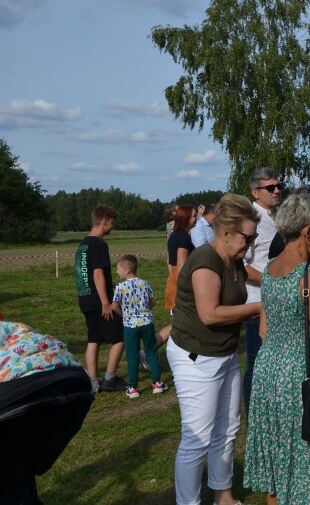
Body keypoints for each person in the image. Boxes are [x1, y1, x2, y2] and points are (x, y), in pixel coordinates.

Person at [243, 193, 310, 504]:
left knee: (277, 449)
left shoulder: (271, 268)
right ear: (307, 231)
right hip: (299, 374)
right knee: (303, 445)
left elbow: (263, 329)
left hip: (268, 371)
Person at [166, 193, 260, 505]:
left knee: (228, 429)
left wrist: (285, 280)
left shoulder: (234, 261)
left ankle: (224, 496)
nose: (252, 242)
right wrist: (262, 307)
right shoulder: (205, 259)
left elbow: (258, 279)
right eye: (248, 236)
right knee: (197, 438)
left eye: (254, 236)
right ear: (225, 232)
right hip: (197, 358)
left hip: (226, 354)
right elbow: (210, 313)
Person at [74, 205, 126, 394]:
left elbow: (86, 274)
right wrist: (106, 302)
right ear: (104, 222)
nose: (112, 227)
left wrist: (112, 285)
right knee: (120, 336)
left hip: (85, 299)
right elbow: (97, 274)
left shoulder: (83, 245)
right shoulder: (100, 244)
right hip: (98, 301)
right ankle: (110, 379)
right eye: (112, 223)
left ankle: (93, 381)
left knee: (94, 339)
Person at [243, 167, 283, 413]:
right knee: (257, 363)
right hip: (258, 302)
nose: (277, 190)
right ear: (255, 192)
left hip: (277, 300)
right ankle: (254, 413)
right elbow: (241, 264)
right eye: (271, 187)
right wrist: (270, 281)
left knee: (274, 363)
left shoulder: (275, 215)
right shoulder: (250, 218)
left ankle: (272, 410)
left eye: (279, 186)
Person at [110, 254, 167, 398]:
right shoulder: (145, 283)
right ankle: (157, 384)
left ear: (127, 270)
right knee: (152, 352)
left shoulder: (120, 287)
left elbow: (114, 306)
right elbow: (152, 302)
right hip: (147, 322)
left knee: (132, 355)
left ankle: (133, 388)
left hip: (130, 326)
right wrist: (144, 311)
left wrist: (124, 315)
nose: (117, 272)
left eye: (118, 269)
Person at [165, 205, 196, 312]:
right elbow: (181, 264)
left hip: (174, 278)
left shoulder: (175, 235)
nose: (195, 219)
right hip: (180, 281)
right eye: (193, 216)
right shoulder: (183, 237)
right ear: (185, 218)